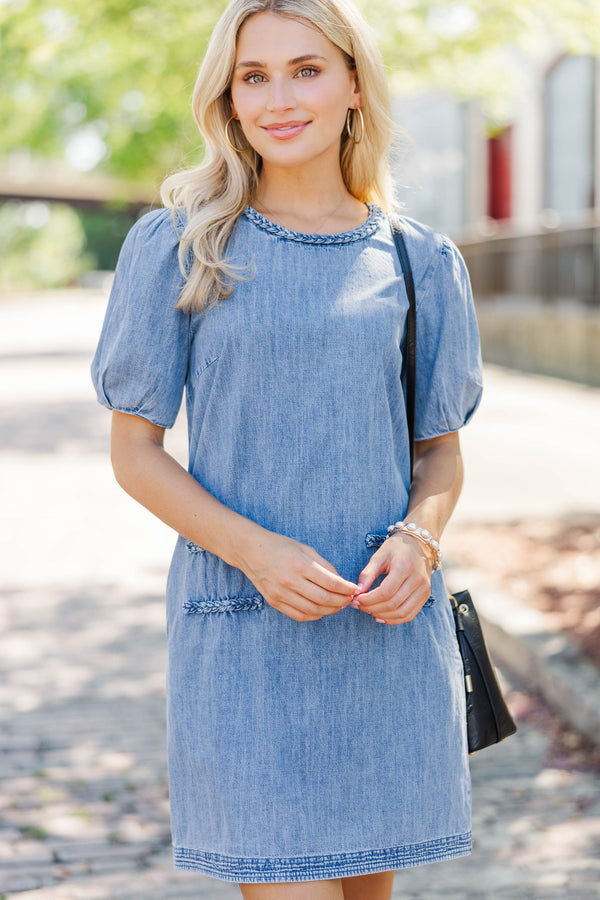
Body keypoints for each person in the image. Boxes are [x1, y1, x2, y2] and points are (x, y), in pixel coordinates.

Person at [91, 0, 483, 897]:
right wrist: (255, 553)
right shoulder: (182, 246)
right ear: (227, 98)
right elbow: (134, 454)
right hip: (243, 638)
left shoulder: (421, 261)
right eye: (253, 75)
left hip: (380, 637)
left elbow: (440, 454)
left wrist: (420, 541)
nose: (279, 98)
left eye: (306, 69)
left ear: (353, 82)